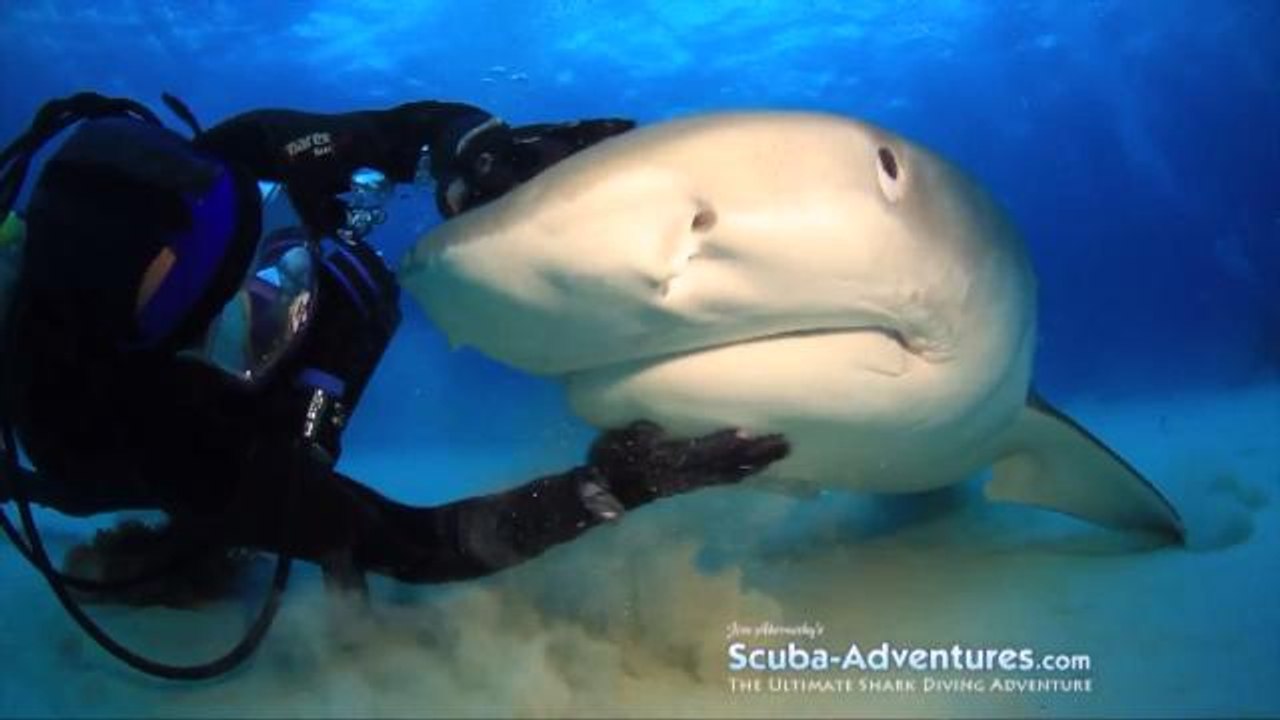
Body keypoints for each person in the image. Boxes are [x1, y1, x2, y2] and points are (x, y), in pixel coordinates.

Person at [0, 93, 788, 678]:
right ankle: (203, 531)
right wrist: (611, 485)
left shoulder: (244, 155)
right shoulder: (168, 446)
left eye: (277, 249)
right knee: (158, 506)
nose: (292, 298)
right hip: (121, 457)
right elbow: (423, 547)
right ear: (178, 369)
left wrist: (480, 158)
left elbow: (416, 127)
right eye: (249, 318)